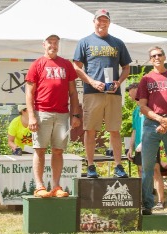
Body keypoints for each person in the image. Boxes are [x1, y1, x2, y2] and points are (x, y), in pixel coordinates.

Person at [73, 9, 132, 178]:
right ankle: (90, 166)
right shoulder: (84, 42)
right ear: (94, 22)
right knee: (90, 130)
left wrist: (118, 82)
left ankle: (118, 166)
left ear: (109, 23)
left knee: (114, 130)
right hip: (92, 93)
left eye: (105, 20)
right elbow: (77, 67)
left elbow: (126, 67)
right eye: (99, 20)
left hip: (113, 93)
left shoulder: (118, 43)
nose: (102, 23)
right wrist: (92, 82)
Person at [25, 34, 81, 198]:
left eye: (55, 43)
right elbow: (29, 93)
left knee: (58, 151)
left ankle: (56, 186)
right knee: (40, 149)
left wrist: (75, 115)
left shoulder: (66, 64)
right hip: (42, 112)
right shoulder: (37, 64)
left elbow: (73, 92)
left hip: (62, 115)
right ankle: (39, 186)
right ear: (44, 44)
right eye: (50, 42)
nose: (53, 45)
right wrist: (31, 116)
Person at [136, 46, 167, 215]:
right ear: (150, 60)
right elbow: (142, 106)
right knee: (147, 166)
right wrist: (159, 119)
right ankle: (147, 205)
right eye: (153, 56)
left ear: (164, 57)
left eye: (159, 55)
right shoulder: (146, 79)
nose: (157, 57)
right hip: (151, 124)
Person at [126, 82, 165, 210]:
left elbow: (153, 128)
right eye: (131, 96)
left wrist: (144, 142)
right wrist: (130, 148)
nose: (133, 98)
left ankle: (160, 201)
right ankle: (144, 199)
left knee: (155, 170)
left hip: (150, 144)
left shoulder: (150, 108)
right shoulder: (135, 111)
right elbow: (135, 130)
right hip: (137, 147)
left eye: (134, 95)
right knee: (141, 172)